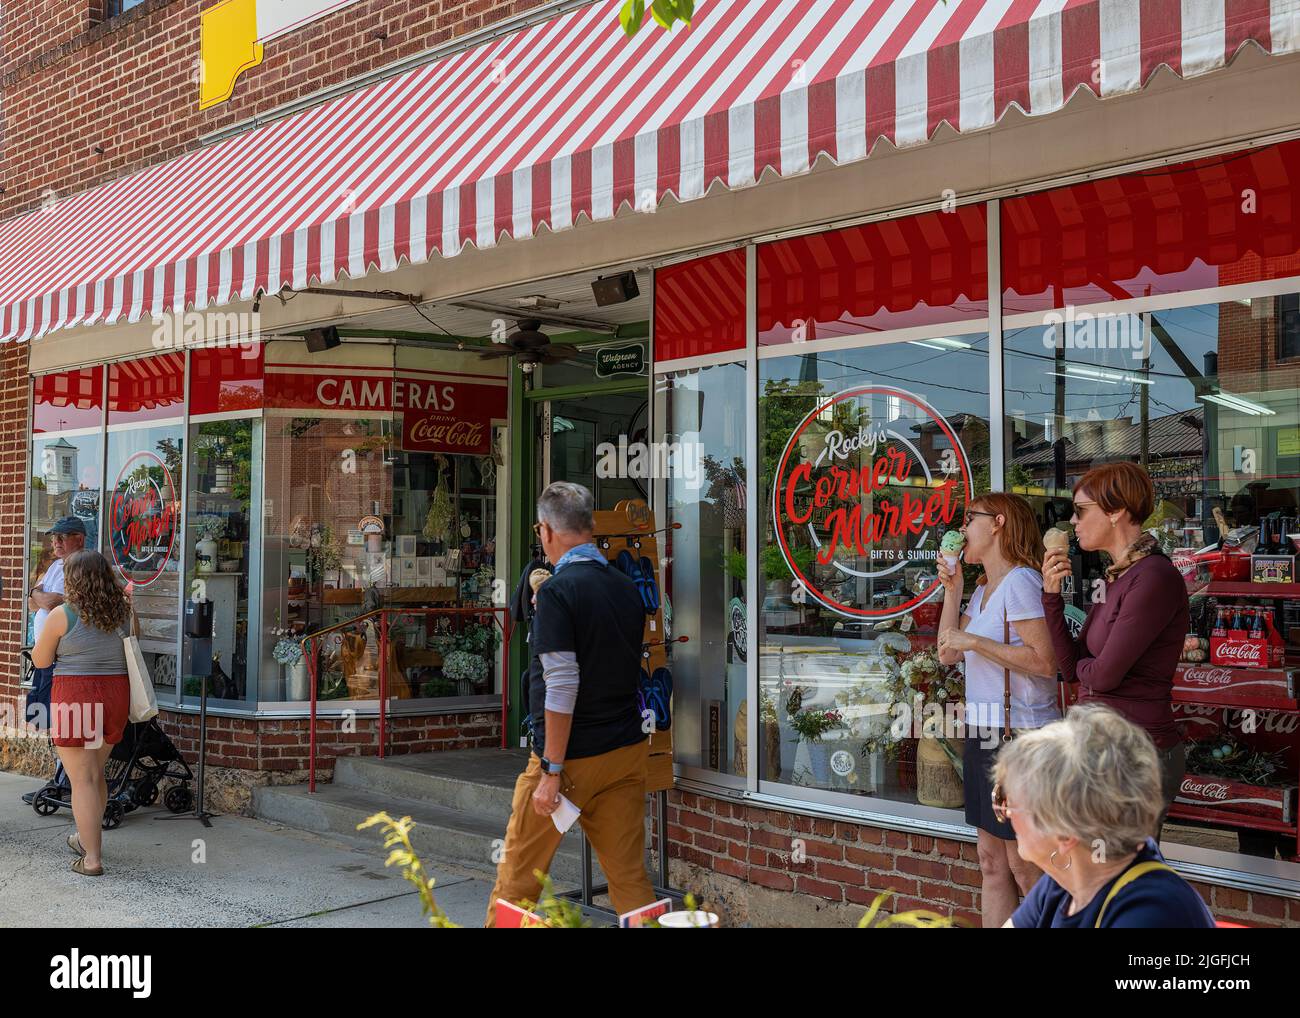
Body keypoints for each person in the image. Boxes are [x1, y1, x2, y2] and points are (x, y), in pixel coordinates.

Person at [484, 482, 655, 925]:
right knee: (630, 880)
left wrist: (551, 770)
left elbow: (561, 684)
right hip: (624, 750)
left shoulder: (558, 592)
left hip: (571, 759)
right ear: (591, 527)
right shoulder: (626, 587)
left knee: (517, 883)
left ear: (545, 531)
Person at [1041, 461, 1188, 832]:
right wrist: (1051, 596)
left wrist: (1090, 671)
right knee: (1094, 879)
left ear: (1116, 511)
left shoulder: (1154, 576)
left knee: (1116, 881)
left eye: (1080, 511)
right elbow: (1071, 666)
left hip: (1135, 753)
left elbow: (1103, 675)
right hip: (1100, 747)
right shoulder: (1116, 577)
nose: (1072, 522)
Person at [937, 492, 1059, 928]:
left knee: (1024, 862)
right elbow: (947, 653)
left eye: (970, 518)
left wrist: (976, 643)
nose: (962, 528)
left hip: (1022, 735)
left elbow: (1045, 662)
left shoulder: (1022, 582)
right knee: (991, 860)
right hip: (984, 731)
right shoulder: (983, 590)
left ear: (998, 524)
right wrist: (953, 591)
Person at [995, 705, 1215, 928]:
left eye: (1010, 802)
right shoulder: (1065, 882)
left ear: (1065, 832)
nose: (1005, 812)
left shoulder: (1149, 914)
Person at [30, 549, 131, 877]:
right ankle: (85, 839)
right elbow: (133, 649)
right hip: (116, 694)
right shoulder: (125, 611)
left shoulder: (63, 614)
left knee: (82, 779)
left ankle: (92, 859)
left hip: (78, 695)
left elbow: (41, 662)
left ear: (75, 580)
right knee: (95, 775)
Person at [21, 516, 87, 806]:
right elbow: (33, 600)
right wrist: (41, 594)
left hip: (64, 656)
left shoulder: (84, 565)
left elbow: (48, 602)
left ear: (79, 539)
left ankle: (65, 781)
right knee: (46, 717)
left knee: (63, 720)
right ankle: (60, 778)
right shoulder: (55, 566)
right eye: (53, 537)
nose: (55, 542)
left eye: (62, 537)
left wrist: (41, 595)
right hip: (45, 656)